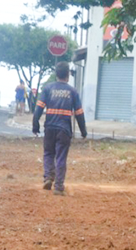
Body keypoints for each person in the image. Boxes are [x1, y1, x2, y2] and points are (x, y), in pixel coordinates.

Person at [32, 61, 87, 195]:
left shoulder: (48, 88)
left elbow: (39, 108)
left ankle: (48, 177)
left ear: (56, 74)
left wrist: (35, 124)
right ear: (68, 75)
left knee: (48, 153)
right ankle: (58, 186)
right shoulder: (72, 91)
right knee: (61, 157)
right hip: (64, 129)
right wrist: (83, 131)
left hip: (49, 127)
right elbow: (79, 113)